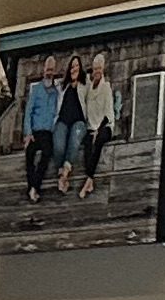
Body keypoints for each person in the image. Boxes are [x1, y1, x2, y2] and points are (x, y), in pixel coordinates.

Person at [22, 57, 63, 200]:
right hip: (35, 131)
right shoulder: (37, 89)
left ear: (54, 71)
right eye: (47, 69)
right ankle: (31, 187)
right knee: (29, 155)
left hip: (47, 132)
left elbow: (57, 113)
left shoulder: (55, 92)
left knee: (47, 153)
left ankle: (35, 187)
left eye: (52, 70)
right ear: (43, 70)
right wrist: (28, 133)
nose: (49, 72)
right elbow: (28, 112)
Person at [79, 51, 118, 193]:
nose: (97, 72)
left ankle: (89, 179)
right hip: (91, 126)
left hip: (105, 125)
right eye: (95, 69)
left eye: (99, 69)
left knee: (99, 141)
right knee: (87, 146)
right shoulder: (89, 89)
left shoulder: (106, 87)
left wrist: (98, 130)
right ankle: (90, 180)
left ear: (103, 70)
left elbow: (108, 114)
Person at [55, 58, 88, 192]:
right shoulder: (62, 87)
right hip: (62, 121)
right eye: (72, 66)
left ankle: (64, 175)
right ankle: (60, 171)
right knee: (58, 145)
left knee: (74, 139)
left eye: (77, 66)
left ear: (80, 69)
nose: (74, 69)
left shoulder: (85, 85)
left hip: (79, 122)